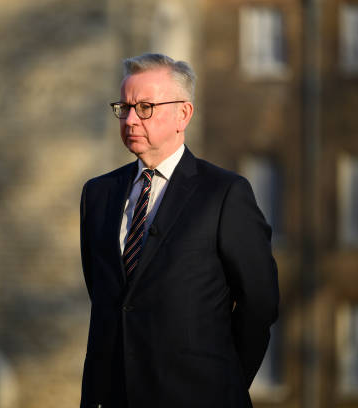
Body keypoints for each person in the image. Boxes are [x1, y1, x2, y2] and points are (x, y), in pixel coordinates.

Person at [79, 53, 279, 408]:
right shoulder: (98, 194)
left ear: (183, 114)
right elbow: (106, 298)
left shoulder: (224, 193)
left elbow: (259, 304)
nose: (130, 119)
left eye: (145, 107)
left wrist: (222, 383)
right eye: (124, 108)